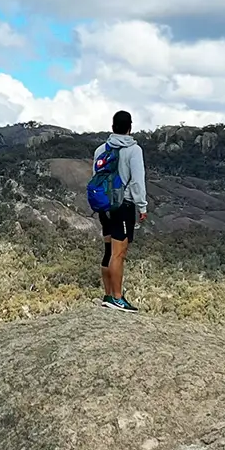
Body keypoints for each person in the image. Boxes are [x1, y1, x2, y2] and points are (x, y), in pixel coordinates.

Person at [94, 110, 148, 310]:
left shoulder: (101, 149)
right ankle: (118, 298)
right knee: (119, 253)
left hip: (104, 205)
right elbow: (137, 181)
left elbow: (95, 176)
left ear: (112, 126)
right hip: (123, 206)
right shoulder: (134, 150)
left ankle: (108, 295)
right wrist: (141, 205)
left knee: (109, 250)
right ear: (130, 127)